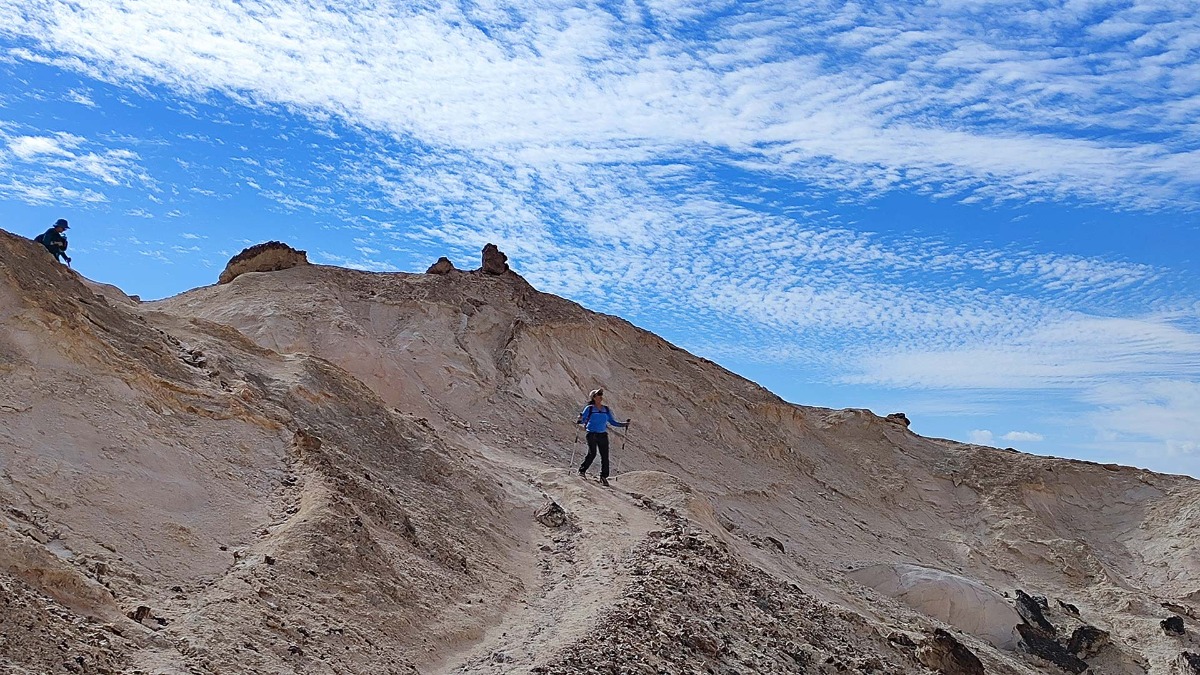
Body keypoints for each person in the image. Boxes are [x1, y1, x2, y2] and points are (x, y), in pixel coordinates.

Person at [576, 388, 630, 486]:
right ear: (593, 397)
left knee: (605, 456)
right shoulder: (590, 408)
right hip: (591, 433)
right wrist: (579, 420)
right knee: (592, 453)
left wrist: (623, 424)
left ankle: (604, 476)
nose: (601, 396)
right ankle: (582, 471)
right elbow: (583, 420)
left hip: (602, 434)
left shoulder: (606, 409)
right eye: (598, 394)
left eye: (601, 394)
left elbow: (612, 421)